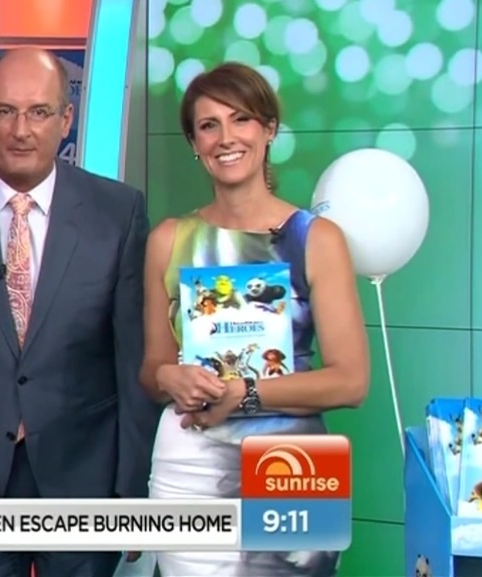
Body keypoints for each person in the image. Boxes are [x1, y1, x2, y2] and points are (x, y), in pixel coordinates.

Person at [0, 47, 158, 577]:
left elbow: (134, 360)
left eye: (39, 112)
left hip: (85, 478)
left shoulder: (119, 213)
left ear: (66, 119)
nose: (21, 130)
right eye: (6, 111)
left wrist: (133, 488)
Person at [141, 62, 370, 576]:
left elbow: (351, 381)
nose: (226, 137)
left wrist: (242, 395)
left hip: (296, 463)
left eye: (241, 119)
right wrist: (167, 376)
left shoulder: (317, 239)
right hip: (191, 464)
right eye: (209, 125)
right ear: (194, 143)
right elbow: (152, 370)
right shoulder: (168, 240)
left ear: (269, 130)